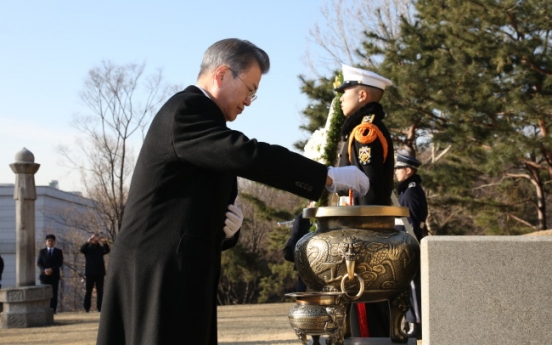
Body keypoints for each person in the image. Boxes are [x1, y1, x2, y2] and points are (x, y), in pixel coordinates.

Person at [96, 38, 370, 345]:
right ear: (222, 74)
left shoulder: (208, 123)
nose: (250, 101)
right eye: (250, 89)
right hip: (157, 269)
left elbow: (196, 201)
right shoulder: (186, 110)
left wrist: (228, 233)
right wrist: (326, 175)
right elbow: (246, 155)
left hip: (178, 267)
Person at [334, 64, 395, 338]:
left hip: (364, 235)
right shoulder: (360, 130)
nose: (341, 97)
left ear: (361, 95)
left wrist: (358, 235)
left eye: (345, 91)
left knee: (365, 308)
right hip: (365, 233)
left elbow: (367, 189)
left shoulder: (365, 133)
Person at [394, 152, 428, 339]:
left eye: (399, 169)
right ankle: (412, 321)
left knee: (414, 285)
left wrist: (410, 243)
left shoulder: (412, 190)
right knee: (409, 285)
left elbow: (414, 222)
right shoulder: (406, 189)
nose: (396, 172)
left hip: (410, 243)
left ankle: (417, 323)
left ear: (408, 170)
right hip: (405, 242)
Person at [80, 233, 110, 313]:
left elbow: (107, 250)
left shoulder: (100, 248)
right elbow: (82, 249)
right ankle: (87, 308)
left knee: (100, 291)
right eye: (94, 238)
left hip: (100, 272)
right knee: (88, 291)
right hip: (90, 272)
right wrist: (88, 241)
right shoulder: (88, 248)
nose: (95, 239)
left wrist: (104, 242)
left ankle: (100, 307)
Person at [37, 234, 64, 314]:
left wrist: (52, 269)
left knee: (54, 294)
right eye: (49, 241)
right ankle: (44, 309)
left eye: (52, 241)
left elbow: (60, 262)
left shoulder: (58, 251)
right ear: (46, 242)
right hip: (44, 276)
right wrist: (45, 270)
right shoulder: (42, 251)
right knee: (44, 293)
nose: (50, 242)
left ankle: (53, 309)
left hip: (54, 275)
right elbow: (39, 263)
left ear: (54, 242)